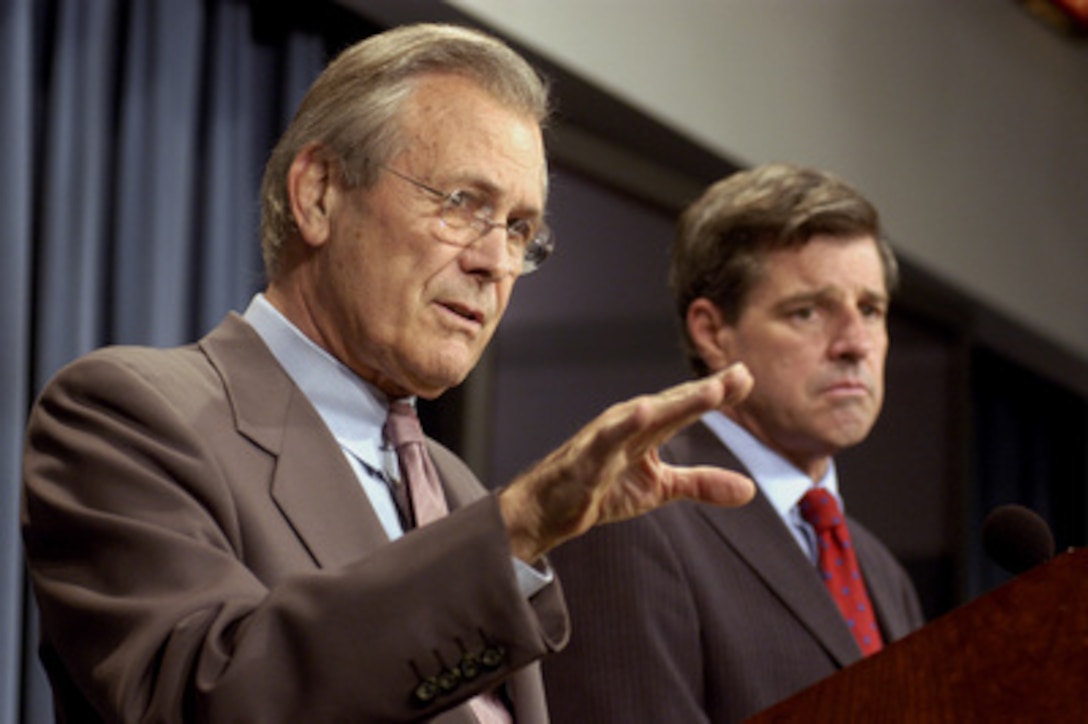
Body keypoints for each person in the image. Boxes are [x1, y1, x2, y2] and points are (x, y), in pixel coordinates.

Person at [19, 23, 757, 724]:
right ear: (319, 194)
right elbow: (208, 701)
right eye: (462, 204)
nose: (495, 262)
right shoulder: (130, 415)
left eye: (520, 229)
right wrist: (517, 528)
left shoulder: (453, 486)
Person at [543, 163, 926, 722]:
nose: (854, 344)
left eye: (870, 310)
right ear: (713, 332)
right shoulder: (633, 514)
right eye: (809, 311)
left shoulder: (882, 574)